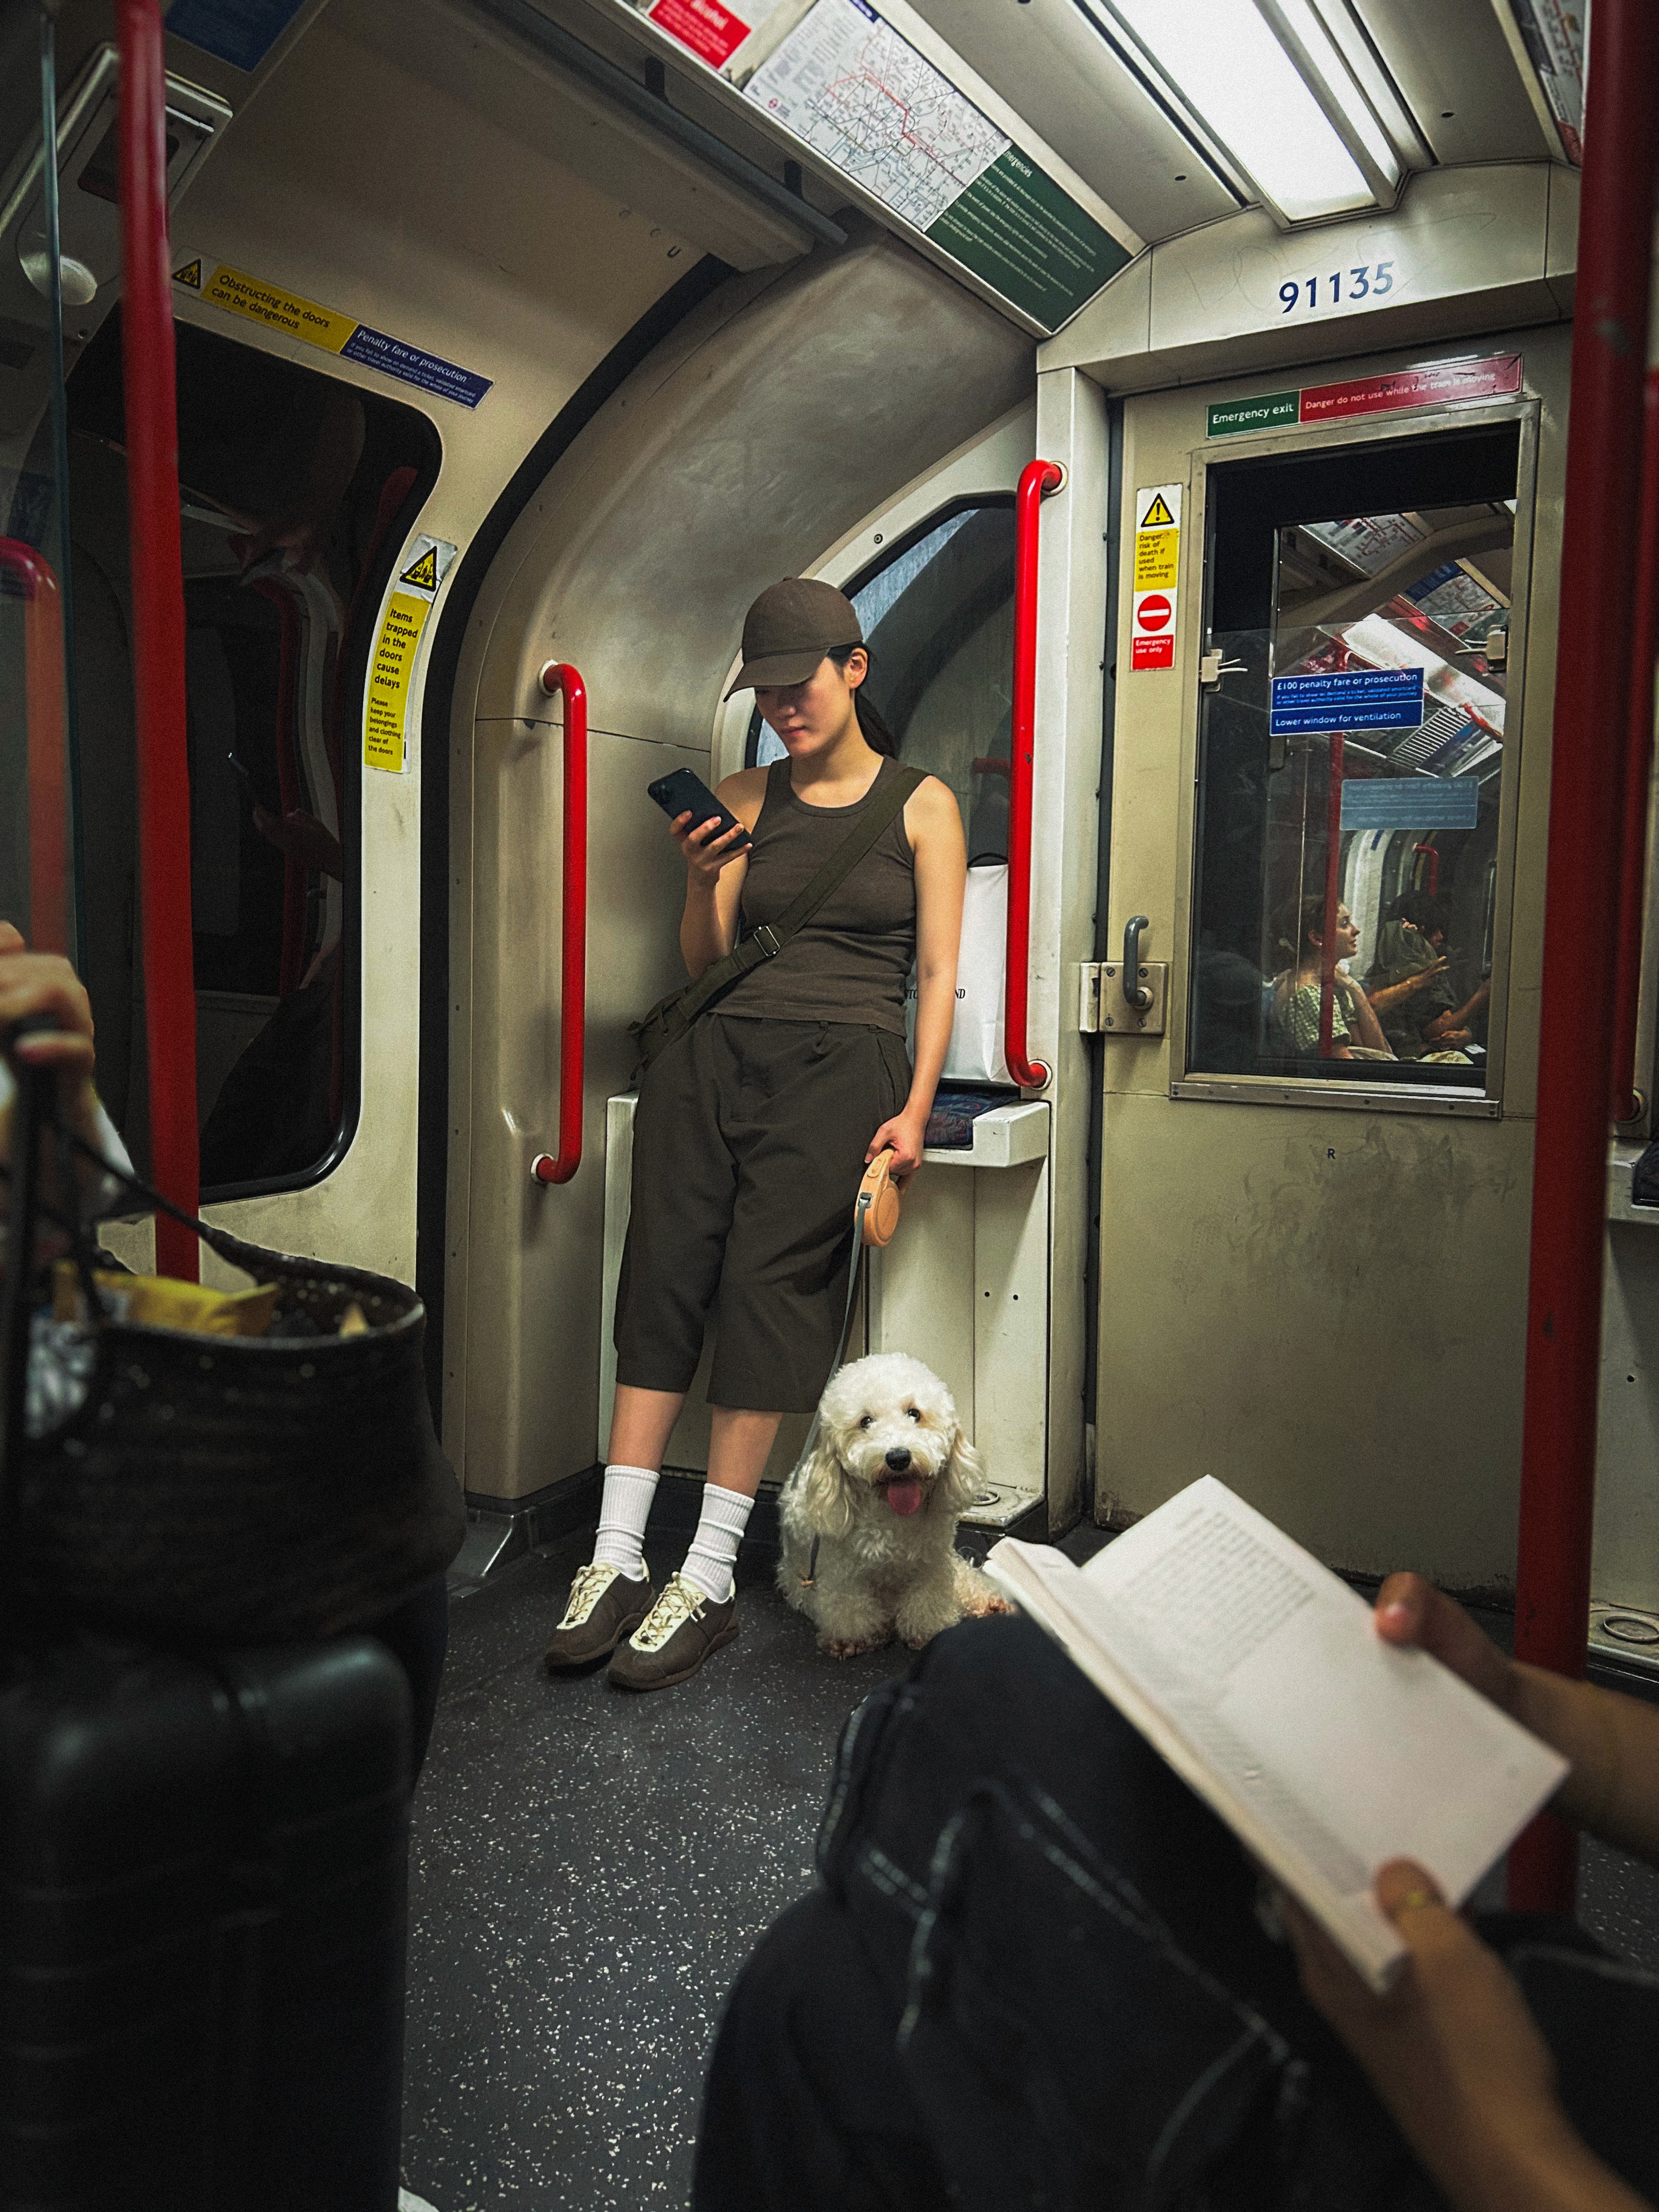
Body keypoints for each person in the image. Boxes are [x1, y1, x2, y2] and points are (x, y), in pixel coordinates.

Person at [695, 1577, 1659, 2212]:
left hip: (1521, 2147)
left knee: (990, 1695)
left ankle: (898, 1856)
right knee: (817, 1988)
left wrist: (1499, 2138)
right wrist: (1512, 1701)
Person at [543, 578, 968, 1692]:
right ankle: (615, 1555)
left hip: (842, 1068)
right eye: (766, 693)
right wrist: (704, 878)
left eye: (800, 685)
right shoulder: (740, 795)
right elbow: (706, 961)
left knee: (769, 1296)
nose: (784, 708)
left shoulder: (922, 806)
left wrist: (914, 1109)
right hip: (711, 1056)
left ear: (854, 669)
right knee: (663, 1279)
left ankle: (710, 1574)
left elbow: (934, 974)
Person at [1270, 893, 1448, 1062]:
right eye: (1344, 924)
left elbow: (1379, 1052)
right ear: (1317, 938)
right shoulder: (1309, 995)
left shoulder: (1337, 984)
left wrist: (1354, 988)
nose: (1356, 930)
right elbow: (1345, 1068)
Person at [1365, 892, 1492, 1059]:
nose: (1440, 937)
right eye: (1433, 930)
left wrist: (1466, 1035)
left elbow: (1448, 1022)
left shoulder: (1407, 968)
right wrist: (1482, 994)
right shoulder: (1415, 973)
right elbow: (1439, 1030)